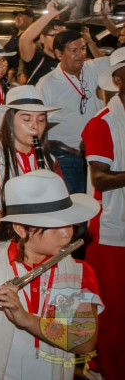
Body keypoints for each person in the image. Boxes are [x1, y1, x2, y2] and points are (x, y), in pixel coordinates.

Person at [0, 171, 101, 378]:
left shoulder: (81, 272)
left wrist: (26, 320)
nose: (66, 234)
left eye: (69, 223)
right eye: (55, 226)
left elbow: (85, 343)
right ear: (21, 229)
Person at [0, 86, 59, 260]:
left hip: (38, 245)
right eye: (27, 119)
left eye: (41, 120)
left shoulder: (49, 161)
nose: (35, 127)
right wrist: (24, 225)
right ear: (10, 122)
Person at [82, 47, 125, 378]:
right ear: (118, 81)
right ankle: (104, 369)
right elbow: (100, 178)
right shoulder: (103, 124)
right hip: (112, 230)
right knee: (112, 312)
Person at [35, 29, 107, 196]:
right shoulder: (46, 84)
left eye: (83, 49)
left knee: (95, 204)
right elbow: (39, 121)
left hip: (96, 155)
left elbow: (112, 63)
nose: (81, 55)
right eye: (74, 51)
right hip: (65, 155)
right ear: (59, 54)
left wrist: (90, 41)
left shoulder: (92, 68)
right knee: (74, 205)